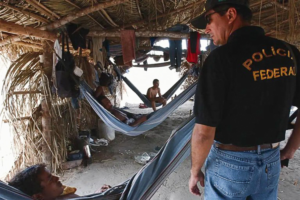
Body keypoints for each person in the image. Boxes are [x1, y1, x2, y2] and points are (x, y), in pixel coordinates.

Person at [189, 0, 300, 199]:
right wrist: (291, 149)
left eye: (209, 19)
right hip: (271, 162)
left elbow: (204, 132)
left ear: (230, 15)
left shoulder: (220, 59)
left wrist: (195, 171)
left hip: (230, 163)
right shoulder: (289, 53)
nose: (207, 28)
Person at [8, 164, 112, 200]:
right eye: (50, 179)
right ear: (39, 196)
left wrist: (96, 195)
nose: (57, 178)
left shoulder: (60, 194)